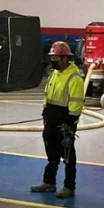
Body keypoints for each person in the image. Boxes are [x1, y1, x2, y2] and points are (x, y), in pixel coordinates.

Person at [31, 41, 85, 199]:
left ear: (64, 58)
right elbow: (47, 96)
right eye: (52, 57)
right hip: (50, 122)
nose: (52, 60)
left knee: (68, 157)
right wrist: (45, 116)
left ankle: (69, 186)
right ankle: (49, 182)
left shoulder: (74, 78)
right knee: (51, 154)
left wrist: (69, 122)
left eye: (55, 57)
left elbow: (75, 104)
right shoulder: (54, 74)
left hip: (65, 124)